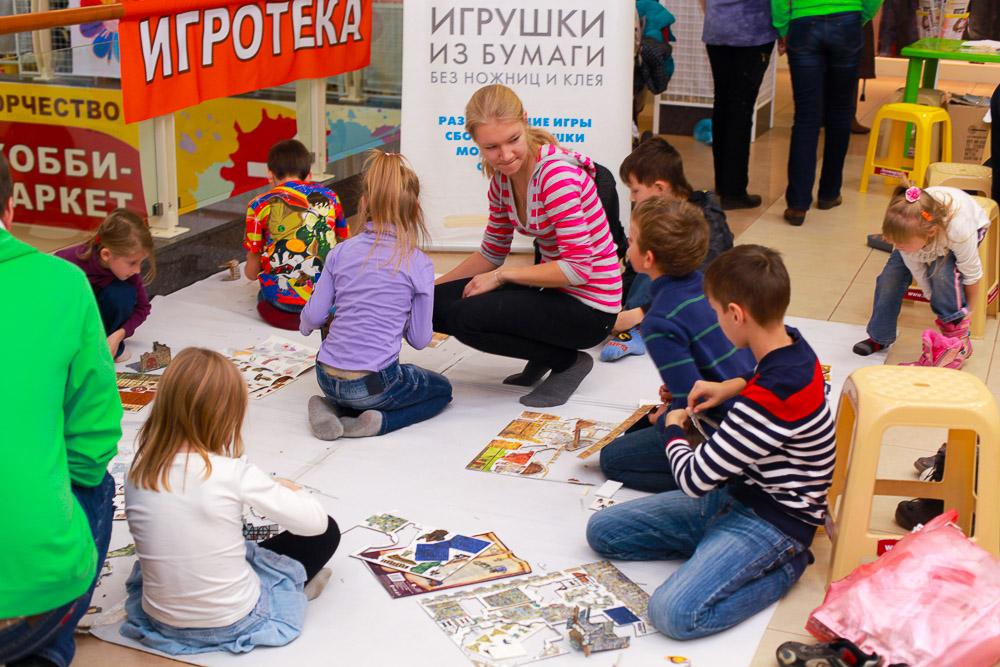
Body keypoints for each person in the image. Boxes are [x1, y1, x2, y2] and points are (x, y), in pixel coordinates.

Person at [587, 244, 835, 640]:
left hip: (776, 522)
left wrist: (673, 425)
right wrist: (729, 386)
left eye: (716, 312)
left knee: (674, 614)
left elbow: (694, 479)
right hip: (738, 494)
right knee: (603, 531)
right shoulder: (793, 342)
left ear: (736, 314)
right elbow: (765, 377)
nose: (715, 320)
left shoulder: (766, 401)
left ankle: (785, 568)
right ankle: (716, 548)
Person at [120, 348, 340, 655]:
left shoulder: (138, 467)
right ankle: (293, 593)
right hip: (233, 621)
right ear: (227, 416)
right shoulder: (232, 472)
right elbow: (314, 523)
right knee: (328, 531)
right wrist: (293, 490)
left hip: (161, 621)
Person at [0, 153, 121, 667]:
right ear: (10, 209)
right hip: (30, 597)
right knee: (96, 485)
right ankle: (43, 649)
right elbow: (95, 438)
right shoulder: (62, 283)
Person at [433, 84, 621, 408]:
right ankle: (544, 353)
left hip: (591, 309)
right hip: (554, 292)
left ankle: (567, 361)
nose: (505, 155)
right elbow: (491, 252)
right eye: (492, 147)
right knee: (432, 306)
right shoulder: (501, 180)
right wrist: (425, 291)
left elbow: (578, 269)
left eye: (513, 140)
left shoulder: (556, 176)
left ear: (525, 121)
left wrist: (502, 276)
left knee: (466, 316)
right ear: (475, 142)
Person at [599, 198, 755, 492]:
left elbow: (692, 405)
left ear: (648, 258)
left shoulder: (659, 320)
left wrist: (665, 421)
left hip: (727, 429)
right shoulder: (711, 285)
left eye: (631, 240)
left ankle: (726, 483)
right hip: (752, 404)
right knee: (636, 433)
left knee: (612, 459)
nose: (627, 245)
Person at [301, 150, 453, 440]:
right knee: (441, 390)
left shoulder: (340, 251)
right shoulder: (418, 263)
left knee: (352, 387)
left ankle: (327, 405)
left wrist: (306, 326)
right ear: (416, 209)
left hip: (325, 376)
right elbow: (420, 339)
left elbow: (314, 315)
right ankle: (379, 421)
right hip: (374, 384)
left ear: (363, 203)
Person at [601, 137, 734, 362]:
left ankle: (642, 328)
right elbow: (635, 269)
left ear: (660, 188)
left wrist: (640, 313)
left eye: (635, 190)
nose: (632, 198)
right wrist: (615, 301)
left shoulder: (705, 218)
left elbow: (704, 283)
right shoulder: (656, 215)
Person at [853, 185, 989, 367]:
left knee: (942, 275)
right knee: (889, 279)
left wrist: (966, 314)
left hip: (968, 224)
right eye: (894, 242)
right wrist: (931, 295)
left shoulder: (959, 232)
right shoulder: (906, 237)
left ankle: (956, 341)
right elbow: (917, 270)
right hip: (918, 232)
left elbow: (972, 275)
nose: (897, 247)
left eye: (901, 244)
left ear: (930, 233)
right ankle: (880, 336)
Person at [775, 0, 883, 226]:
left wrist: (783, 26)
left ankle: (797, 205)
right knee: (841, 113)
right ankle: (829, 193)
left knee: (805, 117)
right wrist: (860, 17)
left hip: (802, 22)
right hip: (847, 20)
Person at [243, 139, 347, 330]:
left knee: (264, 294)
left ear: (270, 174)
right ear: (309, 175)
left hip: (281, 306)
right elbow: (344, 241)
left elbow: (251, 272)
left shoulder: (258, 205)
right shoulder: (330, 197)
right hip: (327, 302)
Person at [701, 0, 777, 210]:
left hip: (717, 28)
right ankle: (734, 191)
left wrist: (715, 14)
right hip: (752, 32)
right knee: (740, 109)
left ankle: (723, 183)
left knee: (723, 105)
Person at [55, 208, 154, 361]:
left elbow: (143, 308)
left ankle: (107, 345)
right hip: (70, 326)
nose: (137, 270)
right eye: (132, 263)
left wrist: (118, 335)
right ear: (106, 254)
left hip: (100, 327)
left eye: (140, 263)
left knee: (122, 294)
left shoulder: (130, 275)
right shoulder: (66, 263)